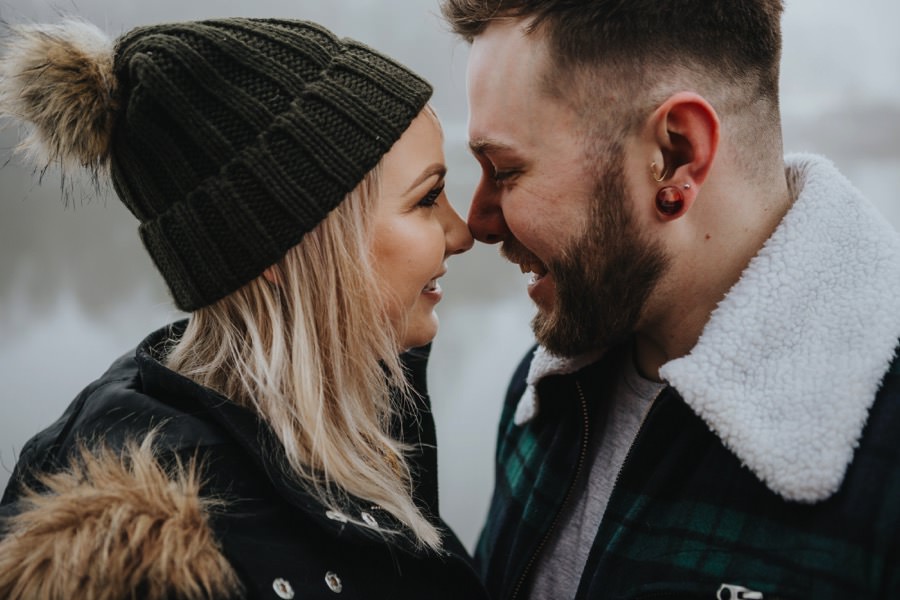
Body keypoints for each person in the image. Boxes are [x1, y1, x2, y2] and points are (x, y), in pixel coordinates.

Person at [0, 16, 490, 600]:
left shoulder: (360, 420)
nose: (462, 233)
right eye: (427, 198)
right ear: (282, 244)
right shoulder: (148, 566)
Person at [441, 1, 900, 598]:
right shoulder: (548, 396)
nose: (478, 221)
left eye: (504, 170)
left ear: (676, 156)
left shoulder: (885, 458)